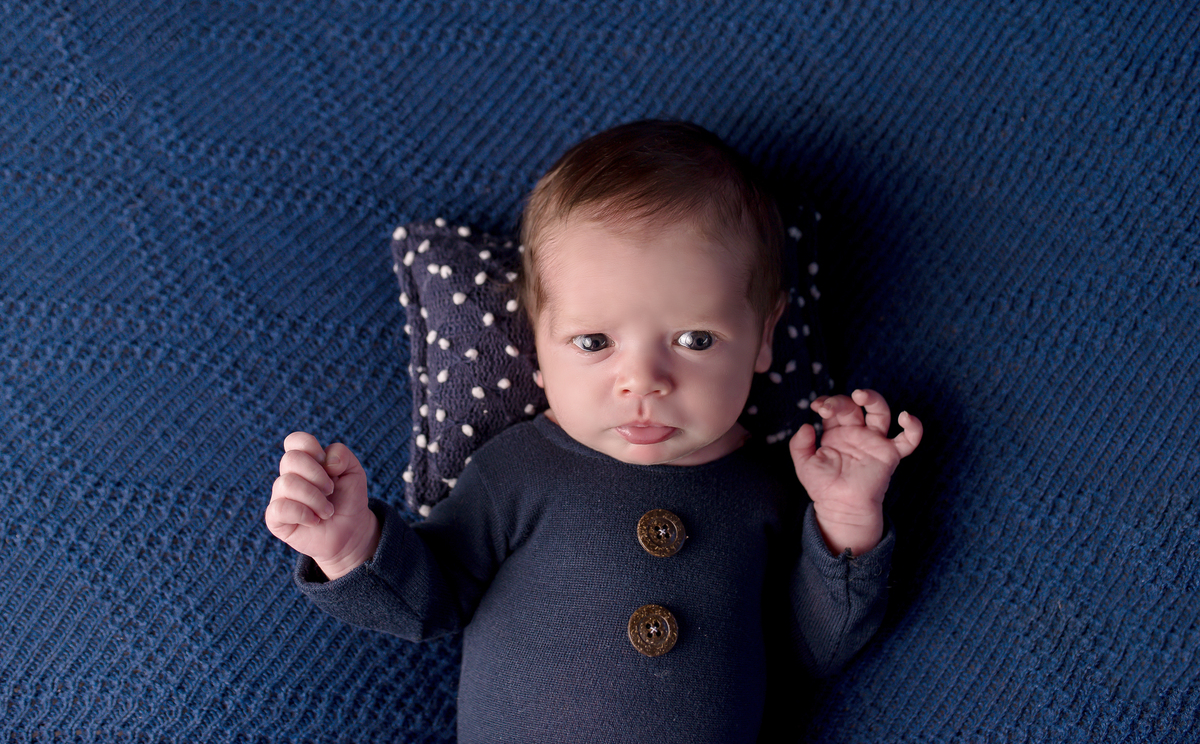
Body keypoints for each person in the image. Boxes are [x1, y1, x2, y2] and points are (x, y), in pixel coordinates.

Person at [265, 120, 922, 742]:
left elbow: (812, 649)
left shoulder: (770, 490)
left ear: (764, 335)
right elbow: (429, 602)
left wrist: (845, 519)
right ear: (537, 340)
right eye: (594, 341)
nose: (643, 381)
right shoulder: (517, 469)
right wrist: (353, 546)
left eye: (695, 339)